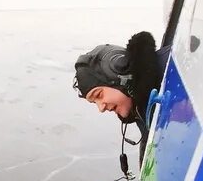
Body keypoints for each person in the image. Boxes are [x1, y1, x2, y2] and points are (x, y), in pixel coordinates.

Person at [73, 31, 170, 166]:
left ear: (119, 76)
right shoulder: (141, 107)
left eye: (99, 95)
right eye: (94, 102)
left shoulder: (172, 66)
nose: (101, 108)